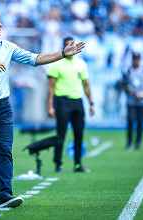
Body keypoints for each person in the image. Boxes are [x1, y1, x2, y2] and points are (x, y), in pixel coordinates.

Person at [0, 8, 85, 209]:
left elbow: (35, 59)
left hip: (3, 108)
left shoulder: (7, 47)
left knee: (5, 152)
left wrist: (62, 54)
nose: (0, 25)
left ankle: (5, 196)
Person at [47, 37, 94, 174]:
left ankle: (78, 164)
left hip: (77, 102)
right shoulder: (57, 64)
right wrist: (50, 106)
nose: (70, 47)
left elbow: (86, 85)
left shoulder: (81, 64)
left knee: (79, 134)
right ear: (64, 47)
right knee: (60, 134)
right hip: (62, 102)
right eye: (68, 45)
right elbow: (51, 87)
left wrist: (91, 103)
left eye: (72, 45)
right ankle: (58, 164)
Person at [122, 52, 143, 150]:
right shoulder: (128, 70)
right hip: (131, 101)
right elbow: (123, 83)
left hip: (142, 101)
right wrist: (128, 88)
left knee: (140, 121)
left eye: (137, 59)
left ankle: (138, 142)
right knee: (130, 120)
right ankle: (129, 142)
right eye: (134, 59)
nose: (136, 61)